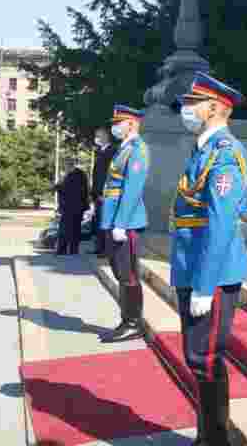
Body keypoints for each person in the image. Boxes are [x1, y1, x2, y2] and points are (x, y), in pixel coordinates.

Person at [170, 72, 247, 446]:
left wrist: (204, 286)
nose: (185, 110)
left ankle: (216, 440)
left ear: (215, 107)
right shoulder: (203, 150)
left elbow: (219, 225)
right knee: (197, 357)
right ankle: (209, 436)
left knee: (205, 358)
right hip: (193, 264)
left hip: (212, 272)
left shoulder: (225, 154)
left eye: (192, 103)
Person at [98, 105, 150, 343]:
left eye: (119, 122)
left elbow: (132, 190)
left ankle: (133, 322)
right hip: (114, 218)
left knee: (127, 273)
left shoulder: (138, 150)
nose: (114, 127)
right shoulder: (124, 149)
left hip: (125, 222)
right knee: (121, 272)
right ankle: (127, 318)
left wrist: (121, 223)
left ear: (132, 124)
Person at [90, 126, 118, 257]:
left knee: (105, 222)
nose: (96, 138)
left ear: (105, 137)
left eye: (98, 136)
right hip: (97, 193)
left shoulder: (112, 151)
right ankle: (100, 247)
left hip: (104, 193)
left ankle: (106, 250)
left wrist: (103, 192)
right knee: (98, 221)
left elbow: (107, 174)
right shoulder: (100, 151)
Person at [55, 162, 88, 256]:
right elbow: (85, 190)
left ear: (69, 166)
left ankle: (62, 250)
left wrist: (59, 184)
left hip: (69, 206)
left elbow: (63, 189)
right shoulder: (82, 174)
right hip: (79, 207)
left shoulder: (70, 176)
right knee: (76, 229)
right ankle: (73, 250)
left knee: (65, 228)